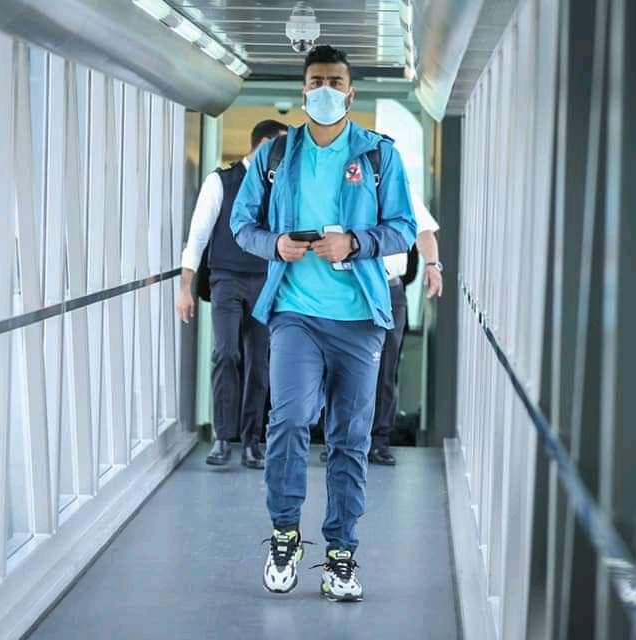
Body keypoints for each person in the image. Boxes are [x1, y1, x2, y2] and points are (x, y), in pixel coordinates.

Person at [231, 45, 417, 602]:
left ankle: (341, 553)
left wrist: (355, 242)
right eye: (317, 81)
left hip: (360, 319)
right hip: (294, 313)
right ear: (303, 90)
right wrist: (275, 244)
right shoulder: (277, 155)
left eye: (335, 82)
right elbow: (242, 223)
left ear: (351, 93)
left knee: (349, 439)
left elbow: (404, 227)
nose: (326, 90)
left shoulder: (379, 155)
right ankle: (285, 534)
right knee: (288, 421)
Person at [176, 120, 288, 469]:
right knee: (226, 352)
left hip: (266, 280)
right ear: (264, 144)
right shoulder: (221, 180)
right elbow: (198, 235)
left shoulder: (282, 184)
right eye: (281, 147)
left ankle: (252, 441)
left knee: (260, 362)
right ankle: (223, 437)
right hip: (226, 278)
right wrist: (185, 287)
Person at [321, 190, 442, 466]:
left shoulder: (399, 189)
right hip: (348, 288)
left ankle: (378, 441)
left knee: (386, 368)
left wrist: (432, 264)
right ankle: (339, 440)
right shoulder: (338, 187)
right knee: (342, 368)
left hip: (389, 290)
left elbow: (423, 231)